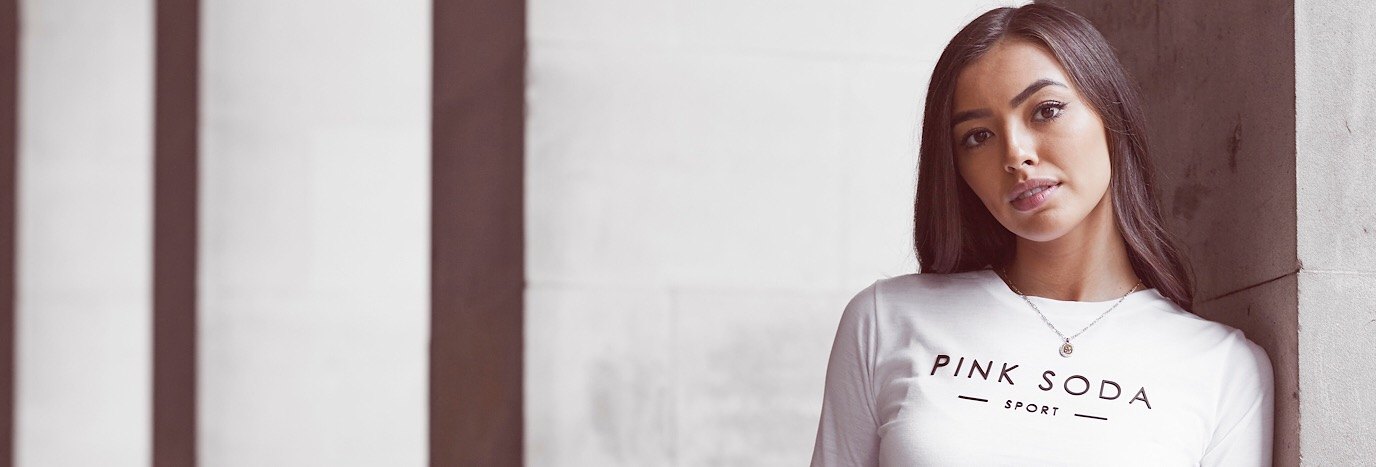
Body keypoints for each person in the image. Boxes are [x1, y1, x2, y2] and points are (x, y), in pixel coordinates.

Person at [809, 4, 1274, 466]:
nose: (1015, 154)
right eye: (978, 136)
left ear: (1110, 114)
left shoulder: (1223, 368)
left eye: (1046, 110)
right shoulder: (887, 319)